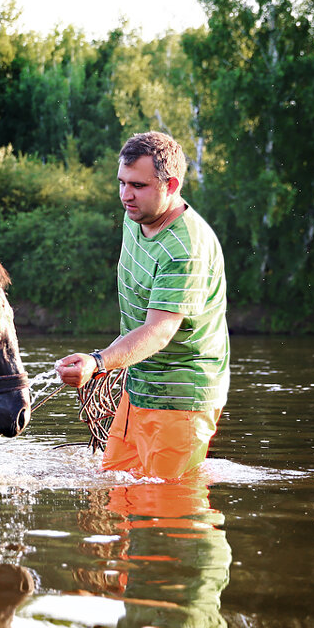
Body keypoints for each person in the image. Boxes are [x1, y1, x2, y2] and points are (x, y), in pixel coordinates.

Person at [56, 131, 229, 479]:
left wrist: (98, 362)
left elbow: (159, 332)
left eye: (138, 185)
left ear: (171, 184)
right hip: (138, 388)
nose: (125, 195)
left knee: (167, 511)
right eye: (121, 183)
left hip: (182, 399)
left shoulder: (186, 248)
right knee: (117, 494)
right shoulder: (135, 215)